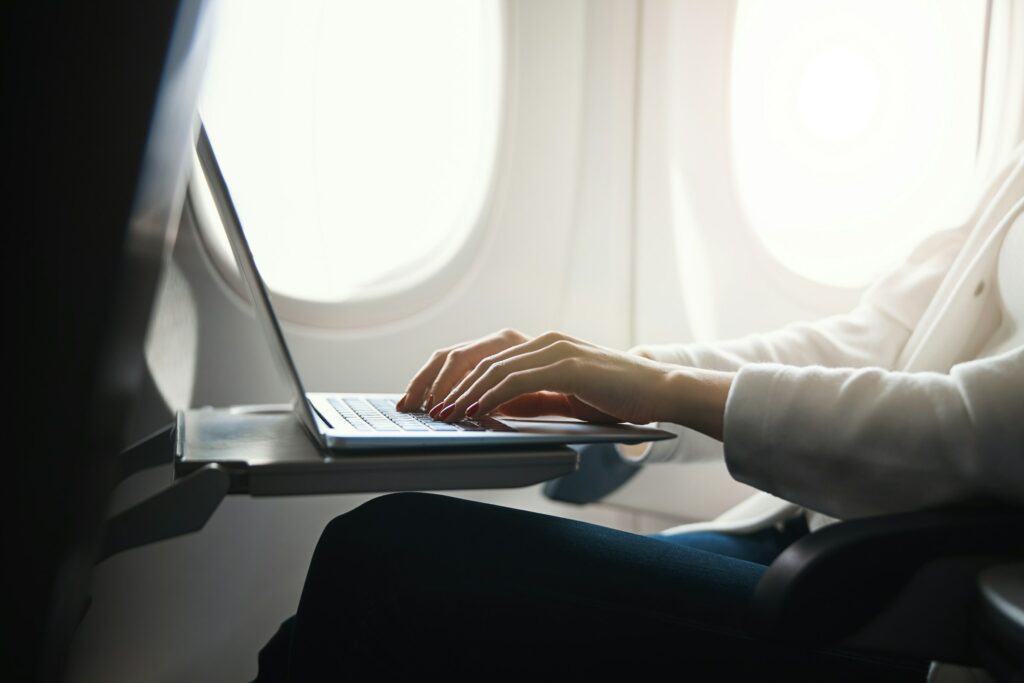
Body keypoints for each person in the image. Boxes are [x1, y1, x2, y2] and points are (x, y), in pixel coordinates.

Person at [254, 146, 1024, 681]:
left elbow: (980, 430)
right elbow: (870, 340)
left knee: (388, 555)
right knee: (318, 634)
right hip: (814, 545)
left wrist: (667, 393)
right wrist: (618, 374)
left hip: (909, 614)